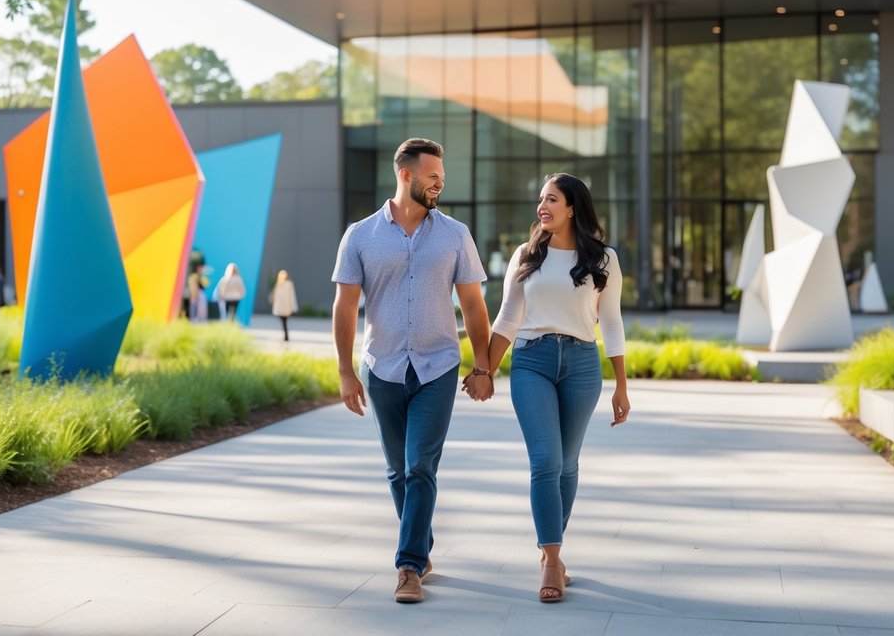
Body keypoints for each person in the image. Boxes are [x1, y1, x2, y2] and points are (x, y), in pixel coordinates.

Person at [332, 137, 490, 604]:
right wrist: (345, 371)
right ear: (406, 174)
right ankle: (420, 545)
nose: (440, 183)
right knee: (397, 471)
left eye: (442, 176)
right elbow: (345, 308)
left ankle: (407, 566)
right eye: (433, 176)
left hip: (437, 366)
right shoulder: (360, 235)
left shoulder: (455, 234)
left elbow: (474, 305)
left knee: (420, 464)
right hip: (382, 367)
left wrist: (483, 365)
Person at [464, 172, 629, 604]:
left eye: (551, 198)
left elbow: (610, 322)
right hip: (532, 361)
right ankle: (553, 560)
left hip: (581, 364)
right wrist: (484, 370)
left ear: (572, 207)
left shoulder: (604, 260)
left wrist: (621, 385)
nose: (542, 206)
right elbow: (506, 319)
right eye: (540, 198)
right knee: (545, 461)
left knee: (568, 465)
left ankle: (549, 548)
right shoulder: (526, 255)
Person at [267, 269, 298, 340]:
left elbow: (292, 296)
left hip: (286, 307)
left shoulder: (289, 284)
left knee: (284, 322)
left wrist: (293, 307)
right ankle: (285, 335)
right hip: (280, 307)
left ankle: (285, 336)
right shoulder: (278, 284)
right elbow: (274, 295)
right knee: (283, 322)